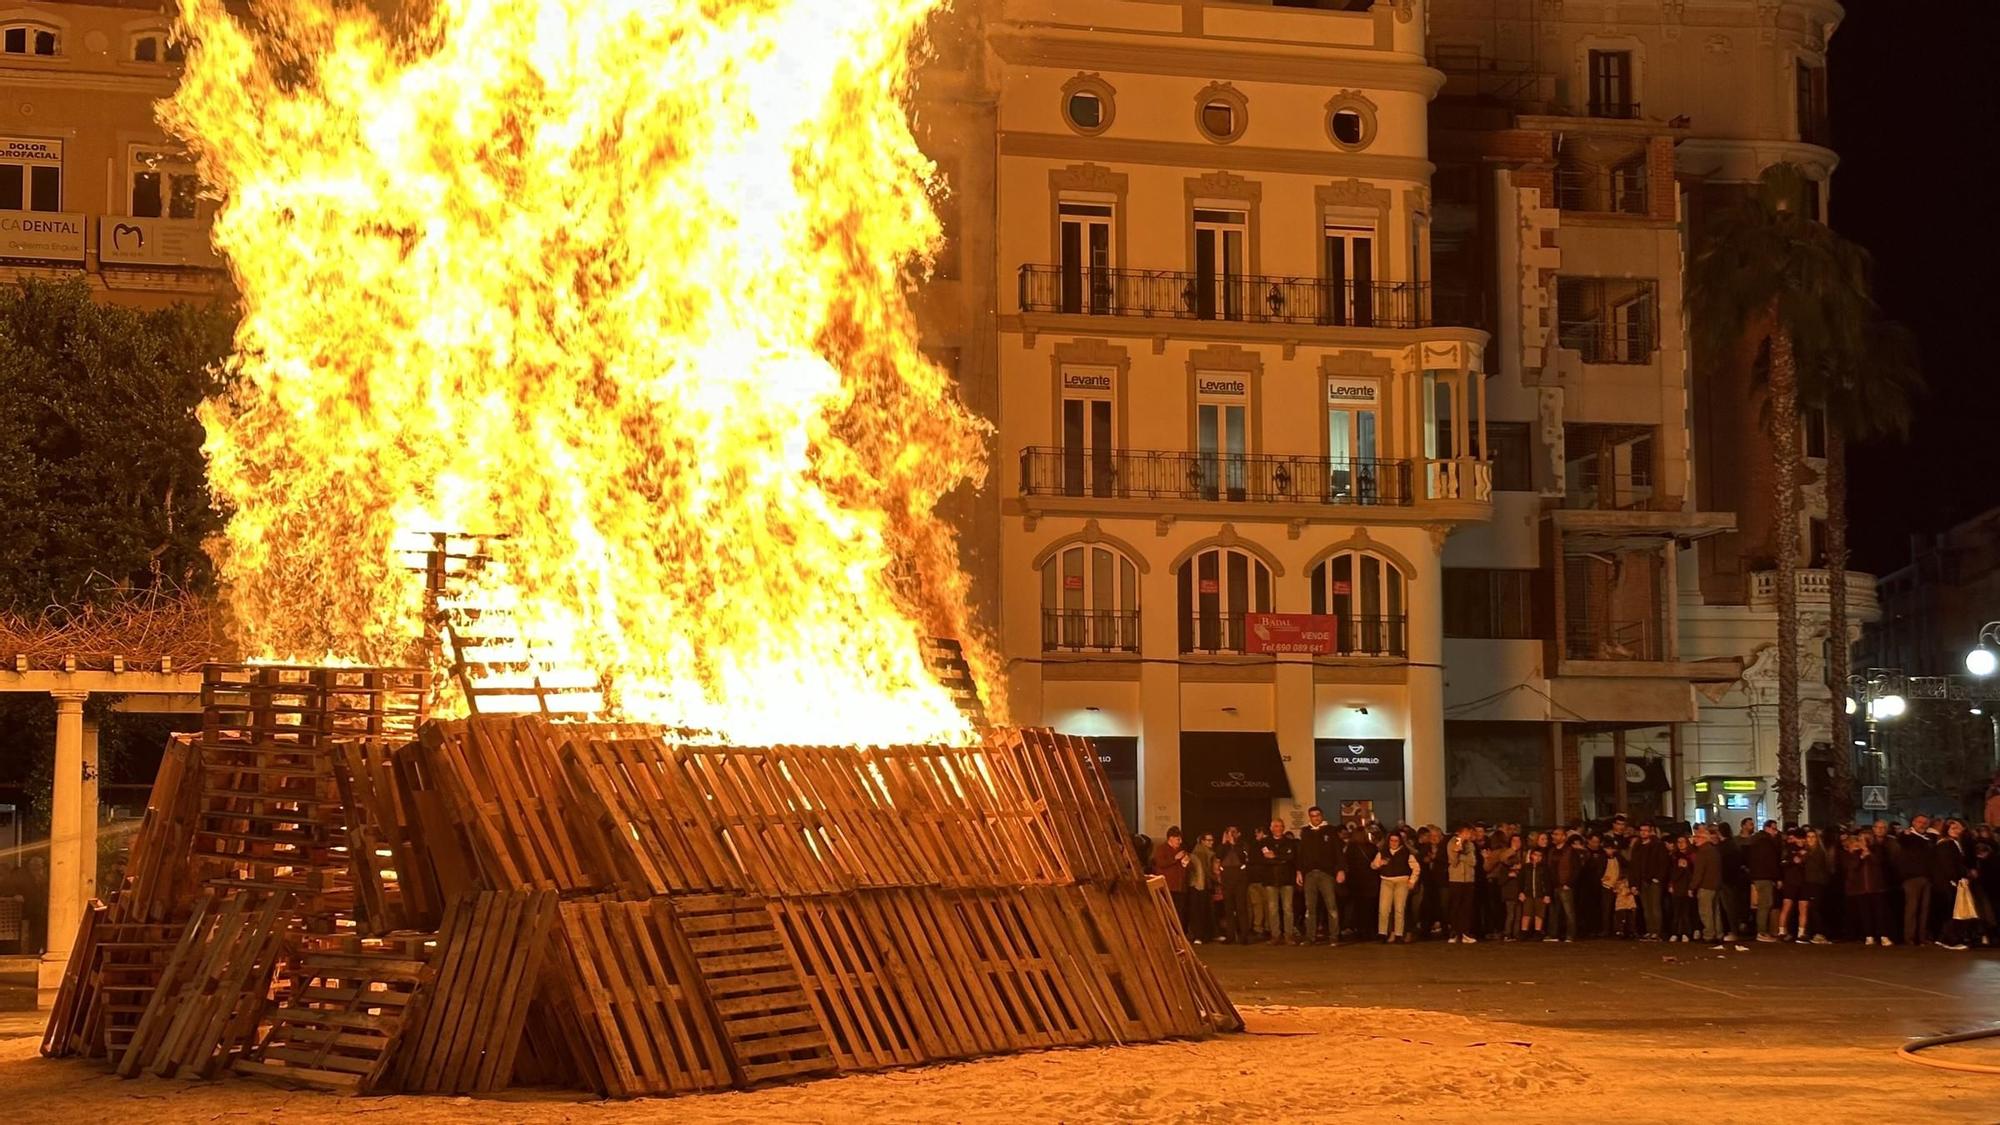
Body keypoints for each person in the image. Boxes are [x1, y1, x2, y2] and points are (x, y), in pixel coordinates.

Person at [1296, 806, 1343, 945]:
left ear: (1321, 816)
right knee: (1310, 907)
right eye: (1312, 815)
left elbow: (1338, 851)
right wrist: (1299, 871)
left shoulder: (1331, 830)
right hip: (1309, 874)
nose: (1315, 818)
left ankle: (1334, 936)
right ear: (1309, 817)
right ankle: (1310, 937)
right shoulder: (1305, 832)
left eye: (1317, 815)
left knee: (1331, 906)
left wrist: (1341, 870)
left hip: (1326, 873)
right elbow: (1301, 853)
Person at [1934, 819, 1976, 951]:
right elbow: (1949, 865)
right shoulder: (1947, 844)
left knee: (1949, 911)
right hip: (1951, 883)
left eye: (1957, 828)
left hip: (1949, 882)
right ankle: (1951, 941)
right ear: (1946, 830)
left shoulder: (1953, 843)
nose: (1956, 831)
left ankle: (1942, 938)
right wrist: (1957, 878)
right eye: (1952, 828)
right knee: (1954, 911)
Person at [1894, 816, 1935, 948]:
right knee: (1912, 909)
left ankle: (1922, 937)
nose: (1922, 825)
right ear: (1913, 823)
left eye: (1925, 823)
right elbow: (1901, 839)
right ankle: (1910, 938)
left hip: (1926, 878)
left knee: (1924, 909)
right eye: (1920, 822)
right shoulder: (1908, 836)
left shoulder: (1929, 838)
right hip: (1912, 878)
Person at [1845, 831, 1892, 945]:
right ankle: (1869, 935)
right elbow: (1852, 867)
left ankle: (1883, 935)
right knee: (1865, 913)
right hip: (1861, 888)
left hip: (1876, 887)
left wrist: (1869, 853)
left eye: (1866, 839)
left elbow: (1878, 862)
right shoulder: (1855, 853)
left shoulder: (1877, 849)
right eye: (1861, 839)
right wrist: (1861, 856)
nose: (1863, 841)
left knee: (1880, 913)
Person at [1258, 818, 1299, 945]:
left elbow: (1291, 857)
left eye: (1281, 826)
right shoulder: (1264, 842)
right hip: (1270, 880)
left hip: (1287, 879)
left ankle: (1289, 936)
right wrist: (1281, 858)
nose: (1278, 828)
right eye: (1275, 826)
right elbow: (1262, 859)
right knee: (1272, 909)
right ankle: (1275, 935)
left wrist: (1275, 856)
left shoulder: (1290, 842)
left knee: (1288, 909)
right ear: (1271, 828)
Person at [1373, 831, 1418, 942]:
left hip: (1401, 881)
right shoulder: (1382, 852)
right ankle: (1382, 933)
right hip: (1386, 881)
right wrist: (1379, 864)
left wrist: (1412, 881)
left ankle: (1399, 934)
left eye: (1396, 841)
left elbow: (1416, 868)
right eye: (1392, 840)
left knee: (1399, 908)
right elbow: (1373, 865)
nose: (1393, 843)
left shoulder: (1407, 853)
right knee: (1383, 908)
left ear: (1400, 842)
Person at [1629, 823, 1671, 941]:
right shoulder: (1637, 846)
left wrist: (1657, 878)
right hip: (1641, 881)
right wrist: (1633, 883)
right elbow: (1633, 866)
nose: (1643, 833)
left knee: (1655, 906)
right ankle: (1650, 930)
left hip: (1653, 881)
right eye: (1641, 830)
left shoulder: (1658, 845)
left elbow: (1663, 863)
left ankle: (1656, 931)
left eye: (1646, 831)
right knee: (1646, 907)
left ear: (1651, 831)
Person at [1745, 819, 1785, 942]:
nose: (1776, 832)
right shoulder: (1768, 843)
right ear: (1767, 828)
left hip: (1757, 876)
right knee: (1765, 904)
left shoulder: (1755, 841)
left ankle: (1761, 930)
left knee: (1763, 904)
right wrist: (1777, 877)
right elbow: (1771, 862)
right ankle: (1761, 931)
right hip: (1765, 877)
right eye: (1774, 829)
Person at [1216, 826, 1254, 945]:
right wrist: (1224, 843)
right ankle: (1230, 936)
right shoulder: (1223, 846)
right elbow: (1218, 855)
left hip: (1240, 878)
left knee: (1241, 908)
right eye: (1228, 832)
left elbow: (1244, 857)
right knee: (1228, 908)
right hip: (1227, 878)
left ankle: (1244, 936)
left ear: (1238, 833)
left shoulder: (1243, 845)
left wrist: (1234, 844)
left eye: (1233, 832)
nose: (1231, 835)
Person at [1152, 827, 1192, 934]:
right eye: (1178, 839)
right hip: (1167, 886)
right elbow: (1161, 863)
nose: (1180, 842)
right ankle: (1168, 933)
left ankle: (1179, 933)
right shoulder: (1161, 849)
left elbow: (1186, 868)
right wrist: (1175, 858)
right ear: (1170, 838)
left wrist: (1186, 863)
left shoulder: (1181, 850)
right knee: (1167, 911)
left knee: (1180, 912)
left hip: (1180, 887)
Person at [1692, 826, 1726, 947]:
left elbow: (1699, 872)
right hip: (1716, 885)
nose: (1694, 840)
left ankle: (1709, 935)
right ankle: (1718, 933)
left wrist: (1692, 887)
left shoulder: (1702, 852)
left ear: (1702, 838)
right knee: (1715, 911)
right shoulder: (1714, 851)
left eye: (1696, 837)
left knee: (1706, 912)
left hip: (1705, 885)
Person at [1446, 825, 1480, 943]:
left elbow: (1473, 861)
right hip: (1456, 879)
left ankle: (1465, 932)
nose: (1469, 835)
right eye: (1467, 833)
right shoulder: (1451, 843)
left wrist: (1461, 856)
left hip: (1469, 879)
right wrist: (1457, 852)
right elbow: (1453, 861)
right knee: (1455, 906)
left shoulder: (1470, 845)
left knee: (1467, 907)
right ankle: (1455, 932)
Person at [1187, 830, 1217, 944]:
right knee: (1199, 911)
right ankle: (1200, 935)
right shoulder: (1201, 852)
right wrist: (1217, 879)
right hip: (1199, 885)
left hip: (1202, 884)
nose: (1211, 842)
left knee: (1204, 911)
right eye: (1208, 840)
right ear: (1202, 841)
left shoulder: (1204, 852)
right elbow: (1205, 870)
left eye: (1212, 840)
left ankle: (1203, 935)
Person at [1519, 845, 1551, 941]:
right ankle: (1524, 932)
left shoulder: (1544, 868)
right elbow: (1521, 880)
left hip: (1540, 894)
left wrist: (1547, 894)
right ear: (1531, 855)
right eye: (1535, 855)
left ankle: (1538, 931)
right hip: (1528, 893)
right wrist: (1521, 892)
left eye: (1540, 855)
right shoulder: (1526, 867)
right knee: (1526, 913)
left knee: (1539, 914)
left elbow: (1548, 882)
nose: (1537, 857)